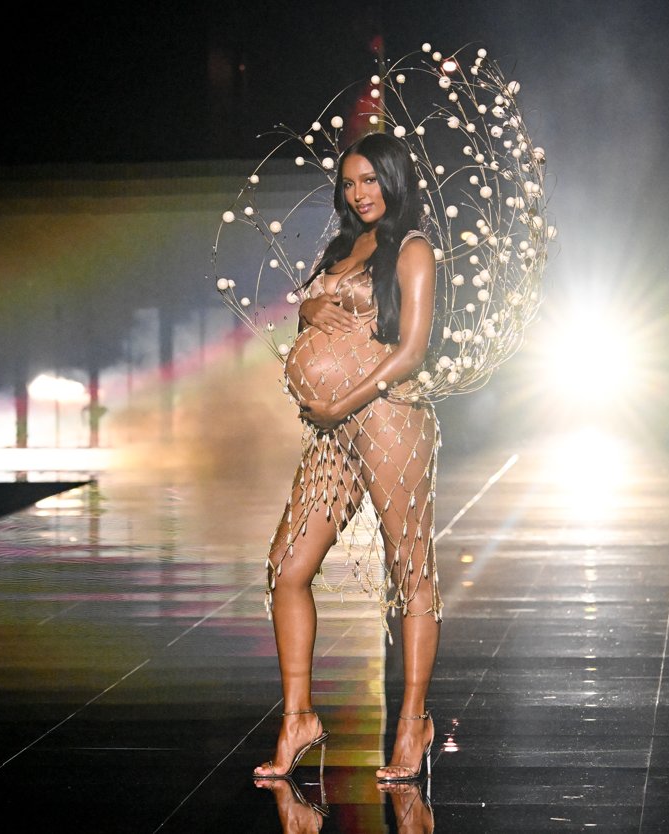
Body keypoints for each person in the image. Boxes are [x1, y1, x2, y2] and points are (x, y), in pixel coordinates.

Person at [252, 131, 441, 784]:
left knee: (409, 571)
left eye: (370, 180)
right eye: (350, 183)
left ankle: (413, 723)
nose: (360, 193)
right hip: (333, 433)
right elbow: (318, 314)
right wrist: (310, 304)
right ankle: (298, 717)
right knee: (286, 567)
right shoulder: (342, 248)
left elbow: (411, 349)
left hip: (390, 421)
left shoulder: (412, 249)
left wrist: (343, 403)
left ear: (393, 179)